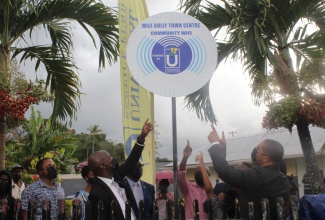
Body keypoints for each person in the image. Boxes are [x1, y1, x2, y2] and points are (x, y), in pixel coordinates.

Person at [207, 125, 290, 219]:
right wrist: (222, 149)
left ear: (265, 158)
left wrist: (214, 144)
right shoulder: (281, 178)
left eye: (258, 149)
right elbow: (226, 175)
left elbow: (224, 170)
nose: (255, 150)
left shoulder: (258, 175)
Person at [87, 119, 153, 220]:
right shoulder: (96, 193)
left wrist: (141, 138)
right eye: (109, 158)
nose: (113, 159)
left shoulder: (116, 177)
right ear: (102, 166)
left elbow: (131, 161)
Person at [178, 140, 208, 219]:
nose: (200, 171)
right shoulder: (188, 187)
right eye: (198, 170)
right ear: (194, 175)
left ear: (208, 175)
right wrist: (185, 157)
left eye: (203, 171)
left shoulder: (210, 190)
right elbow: (180, 174)